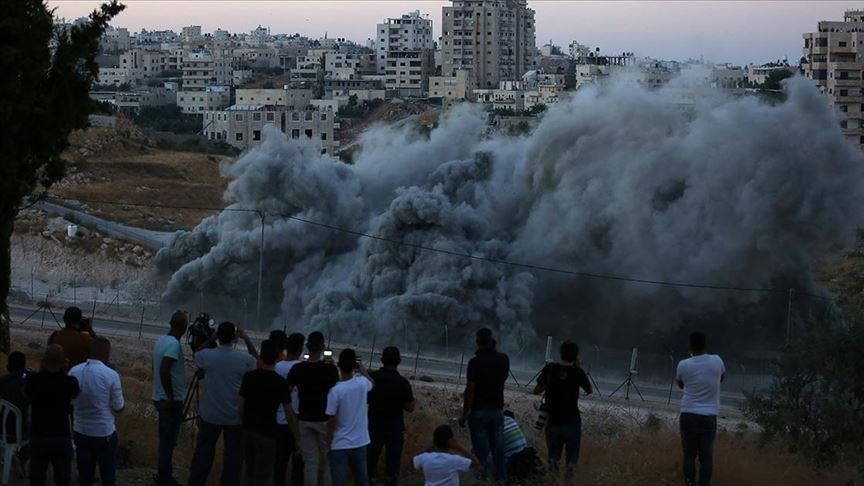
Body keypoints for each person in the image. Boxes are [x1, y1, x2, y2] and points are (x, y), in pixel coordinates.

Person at [188, 322, 259, 486]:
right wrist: (246, 338)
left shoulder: (208, 356)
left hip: (209, 414)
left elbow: (196, 354)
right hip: (234, 417)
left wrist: (211, 339)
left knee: (203, 455)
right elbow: (256, 360)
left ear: (218, 336)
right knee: (233, 459)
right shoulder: (243, 359)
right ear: (235, 338)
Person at [68, 337, 125, 486]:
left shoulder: (74, 371)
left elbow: (70, 401)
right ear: (107, 354)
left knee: (85, 475)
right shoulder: (111, 375)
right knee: (108, 474)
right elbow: (118, 407)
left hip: (80, 430)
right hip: (104, 432)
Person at [532, 341, 592, 478]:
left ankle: (553, 481)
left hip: (553, 421)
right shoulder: (578, 373)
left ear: (561, 353)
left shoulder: (550, 369)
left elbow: (536, 390)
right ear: (576, 356)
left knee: (553, 458)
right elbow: (589, 390)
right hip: (572, 421)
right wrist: (578, 369)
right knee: (571, 461)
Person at [286, 331, 339, 486]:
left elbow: (286, 393)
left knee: (310, 462)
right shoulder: (330, 370)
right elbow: (336, 393)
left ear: (307, 347)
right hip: (324, 419)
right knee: (328, 460)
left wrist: (292, 412)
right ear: (323, 347)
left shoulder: (298, 368)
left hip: (304, 418)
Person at [239, 339, 293, 485]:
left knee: (248, 471)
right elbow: (289, 412)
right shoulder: (280, 382)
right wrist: (296, 435)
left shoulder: (249, 377)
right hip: (268, 433)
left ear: (261, 356)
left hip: (248, 430)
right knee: (264, 475)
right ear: (276, 358)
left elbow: (240, 407)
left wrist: (243, 424)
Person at [24, 345, 80, 486]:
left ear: (43, 361)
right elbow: (74, 396)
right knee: (62, 478)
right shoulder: (70, 382)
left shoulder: (33, 380)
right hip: (61, 435)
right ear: (63, 362)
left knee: (37, 478)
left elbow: (26, 396)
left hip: (39, 434)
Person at [676, 332, 725, 486]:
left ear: (690, 345)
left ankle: (689, 483)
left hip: (688, 414)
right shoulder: (717, 361)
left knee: (689, 455)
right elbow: (721, 378)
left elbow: (681, 384)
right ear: (705, 344)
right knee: (706, 458)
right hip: (709, 416)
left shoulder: (683, 364)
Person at [460, 328, 509, 481]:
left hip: (479, 411)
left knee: (481, 453)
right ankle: (500, 481)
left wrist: (465, 413)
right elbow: (502, 378)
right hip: (497, 411)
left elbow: (470, 389)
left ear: (477, 342)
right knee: (498, 452)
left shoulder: (474, 362)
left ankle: (482, 479)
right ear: (492, 341)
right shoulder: (503, 359)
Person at [367, 346, 414, 486]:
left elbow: (365, 398)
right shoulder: (402, 383)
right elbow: (410, 407)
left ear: (382, 360)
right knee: (392, 465)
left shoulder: (373, 378)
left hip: (374, 425)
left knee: (370, 461)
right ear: (399, 361)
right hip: (394, 428)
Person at [326, 349, 373, 486]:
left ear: (339, 365)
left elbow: (331, 420)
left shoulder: (335, 391)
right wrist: (363, 371)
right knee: (362, 481)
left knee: (338, 481)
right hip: (360, 442)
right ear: (354, 366)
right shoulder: (362, 383)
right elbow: (372, 383)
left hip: (340, 443)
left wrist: (328, 441)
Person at [151, 310, 188, 486]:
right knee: (168, 441)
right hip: (169, 401)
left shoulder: (161, 340)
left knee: (165, 439)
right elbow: (165, 369)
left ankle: (163, 474)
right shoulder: (174, 345)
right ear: (184, 327)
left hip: (158, 396)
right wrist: (171, 396)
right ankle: (164, 478)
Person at [274, 332, 306, 486]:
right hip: (298, 422)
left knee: (279, 464)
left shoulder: (277, 367)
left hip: (279, 421)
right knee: (298, 465)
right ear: (300, 349)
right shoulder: (302, 368)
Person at [0, 352, 29, 442]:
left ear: (8, 367)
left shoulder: (2, 382)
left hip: (2, 431)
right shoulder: (26, 383)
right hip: (19, 433)